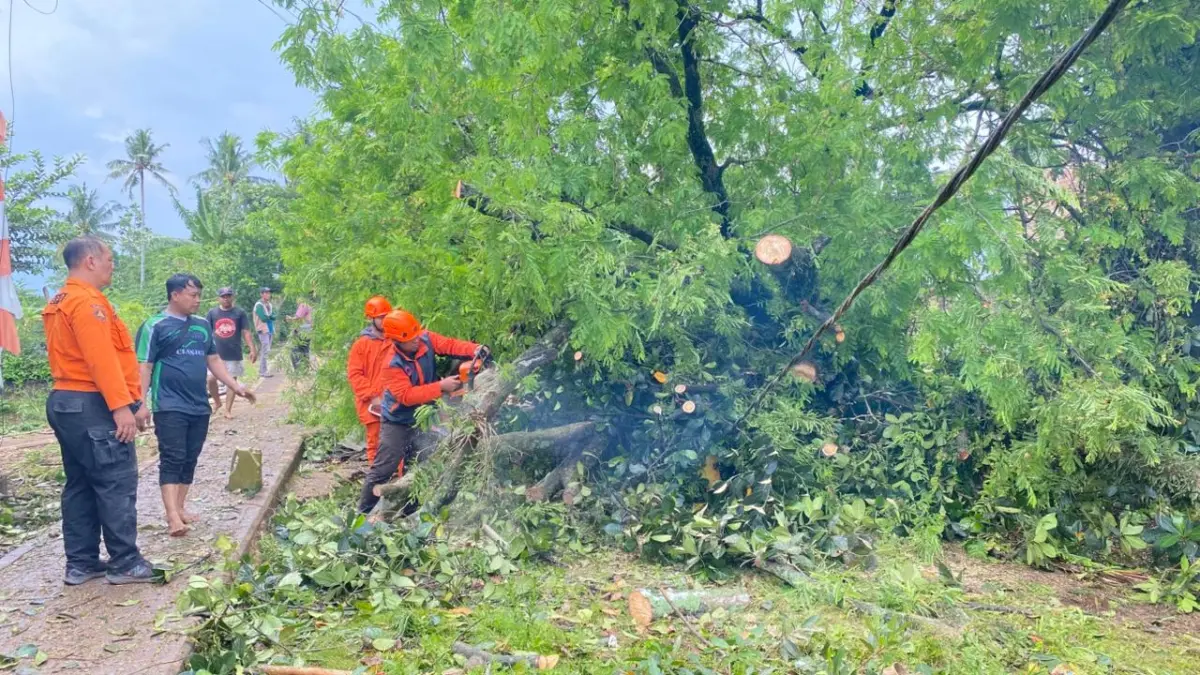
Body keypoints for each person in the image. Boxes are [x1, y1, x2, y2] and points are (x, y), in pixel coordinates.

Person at [42, 236, 153, 585]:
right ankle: (125, 562)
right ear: (90, 261)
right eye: (109, 258)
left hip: (66, 400)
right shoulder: (88, 303)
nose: (112, 264)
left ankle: (82, 563)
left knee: (80, 484)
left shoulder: (61, 300)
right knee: (115, 481)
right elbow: (100, 360)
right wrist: (122, 407)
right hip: (92, 402)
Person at [136, 274, 256, 537]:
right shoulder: (154, 326)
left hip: (199, 405)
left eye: (200, 295)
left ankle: (181, 507)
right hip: (168, 404)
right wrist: (139, 403)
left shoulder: (202, 326)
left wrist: (236, 387)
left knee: (190, 457)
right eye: (193, 295)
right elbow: (144, 366)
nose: (198, 300)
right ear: (175, 295)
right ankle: (172, 517)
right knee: (172, 457)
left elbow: (213, 361)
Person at [358, 309, 489, 513]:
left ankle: (410, 511)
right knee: (385, 467)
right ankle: (362, 514)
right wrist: (441, 387)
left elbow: (450, 345)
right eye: (410, 339)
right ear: (396, 341)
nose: (416, 341)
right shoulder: (390, 364)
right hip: (398, 421)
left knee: (421, 462)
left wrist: (475, 349)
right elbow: (406, 396)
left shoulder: (425, 338)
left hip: (424, 416)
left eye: (416, 335)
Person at [346, 296, 393, 468]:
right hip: (372, 405)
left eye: (387, 316)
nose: (384, 320)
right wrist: (373, 396)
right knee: (375, 444)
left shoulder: (397, 340)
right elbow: (355, 375)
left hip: (396, 401)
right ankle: (377, 481)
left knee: (399, 444)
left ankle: (399, 482)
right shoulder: (361, 346)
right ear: (371, 318)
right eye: (381, 317)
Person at [206, 287, 257, 419]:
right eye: (223, 296)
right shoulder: (212, 313)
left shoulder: (239, 313)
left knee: (231, 382)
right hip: (215, 354)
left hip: (234, 352)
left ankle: (228, 410)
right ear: (218, 298)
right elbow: (206, 332)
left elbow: (246, 331)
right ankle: (217, 402)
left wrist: (252, 348)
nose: (226, 298)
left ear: (232, 297)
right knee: (211, 379)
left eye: (228, 295)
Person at [252, 288, 275, 377]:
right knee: (265, 350)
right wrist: (271, 317)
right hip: (262, 329)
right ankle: (262, 372)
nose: (268, 294)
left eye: (269, 293)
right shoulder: (258, 305)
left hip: (270, 329)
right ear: (261, 294)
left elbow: (274, 316)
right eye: (266, 293)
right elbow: (263, 318)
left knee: (267, 350)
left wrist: (270, 317)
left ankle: (264, 370)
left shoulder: (269, 304)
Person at [287, 296, 314, 370]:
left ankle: (298, 369)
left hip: (302, 331)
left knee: (295, 350)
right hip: (308, 331)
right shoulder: (310, 306)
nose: (297, 301)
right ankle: (305, 368)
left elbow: (298, 318)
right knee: (305, 350)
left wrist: (289, 318)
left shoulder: (303, 305)